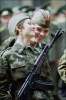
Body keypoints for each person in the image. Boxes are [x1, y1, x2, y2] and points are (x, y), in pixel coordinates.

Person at [0, 9, 53, 100]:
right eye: (29, 24)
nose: (34, 27)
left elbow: (48, 82)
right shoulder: (6, 56)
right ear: (18, 28)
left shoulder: (39, 52)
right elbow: (1, 91)